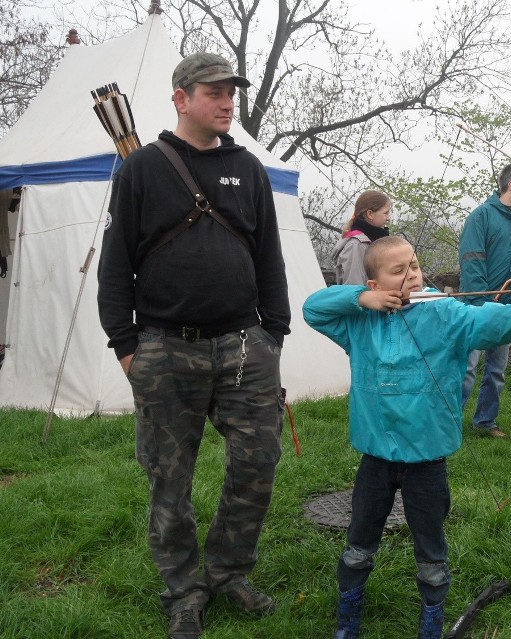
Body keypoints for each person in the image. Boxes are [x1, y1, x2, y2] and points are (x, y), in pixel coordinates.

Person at [302, 236, 511, 639]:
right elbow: (313, 308)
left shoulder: (445, 312)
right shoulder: (359, 322)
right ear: (375, 284)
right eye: (398, 271)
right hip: (376, 459)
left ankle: (431, 625)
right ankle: (348, 622)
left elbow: (495, 320)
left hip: (427, 459)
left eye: (414, 266)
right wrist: (360, 300)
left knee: (431, 551)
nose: (412, 276)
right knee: (358, 546)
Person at [97, 52, 291, 639]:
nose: (227, 100)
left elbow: (269, 258)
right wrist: (127, 347)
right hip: (164, 348)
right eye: (214, 92)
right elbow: (116, 265)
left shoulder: (250, 169)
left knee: (258, 464)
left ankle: (229, 571)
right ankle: (183, 589)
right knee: (169, 477)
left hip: (243, 349)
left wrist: (272, 335)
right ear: (181, 98)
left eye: (231, 91)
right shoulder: (142, 169)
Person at [458, 162, 511, 437]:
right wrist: (481, 303)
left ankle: (485, 421)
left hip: (507, 309)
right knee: (465, 370)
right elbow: (471, 261)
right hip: (477, 308)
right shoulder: (481, 217)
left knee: (496, 371)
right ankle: (449, 422)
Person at [331, 189, 391, 284]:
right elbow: (354, 287)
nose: (388, 218)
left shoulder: (369, 241)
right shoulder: (356, 245)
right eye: (386, 213)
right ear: (370, 214)